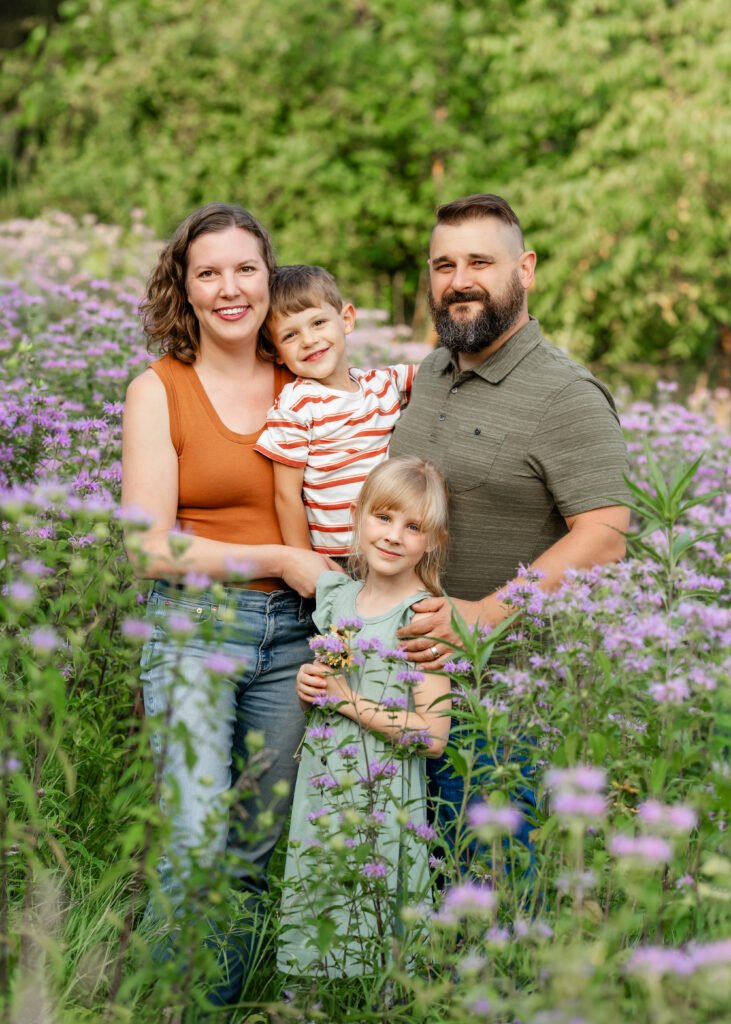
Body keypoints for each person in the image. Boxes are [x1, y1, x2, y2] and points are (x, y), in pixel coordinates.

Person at [121, 203, 339, 1007]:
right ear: (184, 287)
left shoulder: (303, 382)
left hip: (295, 643)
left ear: (267, 276)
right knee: (193, 842)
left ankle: (212, 1008)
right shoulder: (159, 390)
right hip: (196, 629)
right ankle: (159, 1010)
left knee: (249, 852)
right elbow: (149, 548)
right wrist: (279, 558)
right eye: (208, 273)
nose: (230, 288)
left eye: (245, 269)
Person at [390, 193, 631, 853]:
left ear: (524, 270)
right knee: (407, 885)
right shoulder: (432, 371)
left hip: (502, 709)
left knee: (490, 889)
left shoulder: (566, 395)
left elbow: (605, 534)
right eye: (443, 265)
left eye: (480, 262)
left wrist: (483, 617)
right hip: (406, 692)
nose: (458, 280)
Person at [277, 457, 451, 976]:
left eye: (413, 526)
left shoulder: (422, 616)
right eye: (384, 517)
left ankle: (376, 1002)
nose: (394, 536)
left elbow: (433, 736)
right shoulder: (338, 599)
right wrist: (310, 687)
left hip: (383, 792)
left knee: (373, 912)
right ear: (357, 517)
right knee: (319, 896)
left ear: (432, 541)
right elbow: (327, 684)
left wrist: (346, 701)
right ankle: (308, 1000)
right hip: (325, 782)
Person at [254, 265, 415, 557]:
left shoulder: (382, 384)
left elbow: (439, 372)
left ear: (346, 320)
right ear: (276, 352)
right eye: (290, 335)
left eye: (318, 323)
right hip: (339, 557)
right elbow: (286, 496)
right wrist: (306, 563)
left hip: (396, 547)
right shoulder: (297, 405)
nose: (309, 340)